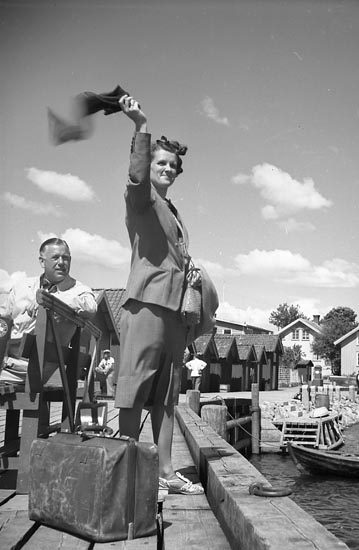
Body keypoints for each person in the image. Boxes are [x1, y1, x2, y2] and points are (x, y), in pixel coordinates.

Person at [115, 95, 218, 497]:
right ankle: (126, 473)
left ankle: (166, 473)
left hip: (175, 312)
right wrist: (141, 126)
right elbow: (136, 176)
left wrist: (189, 270)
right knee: (133, 392)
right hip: (146, 305)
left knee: (167, 397)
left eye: (173, 165)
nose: (168, 169)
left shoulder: (173, 210)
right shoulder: (141, 199)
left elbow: (175, 254)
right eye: (162, 163)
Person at [0, 238, 97, 384]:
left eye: (65, 258)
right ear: (42, 261)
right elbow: (3, 319)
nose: (61, 262)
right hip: (8, 363)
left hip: (41, 368)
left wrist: (50, 301)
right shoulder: (21, 287)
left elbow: (91, 307)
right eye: (55, 257)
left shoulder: (79, 291)